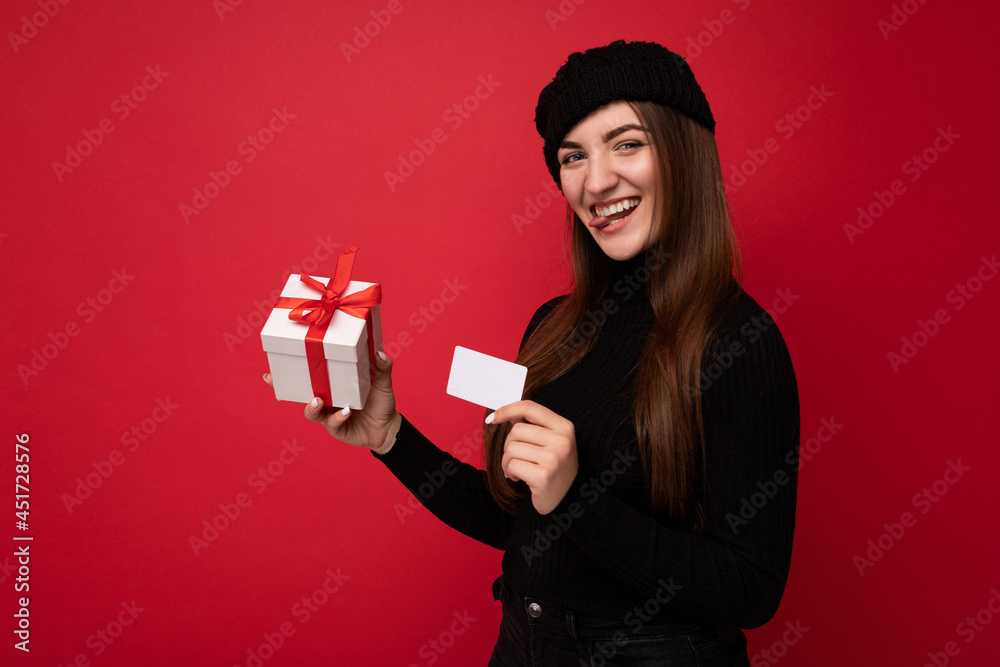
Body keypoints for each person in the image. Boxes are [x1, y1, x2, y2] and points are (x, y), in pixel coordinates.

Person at [266, 40, 799, 666]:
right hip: (524, 644)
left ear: (685, 151)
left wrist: (578, 498)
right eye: (573, 157)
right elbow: (517, 522)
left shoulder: (740, 341)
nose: (597, 181)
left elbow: (750, 590)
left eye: (627, 143)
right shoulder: (552, 327)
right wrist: (391, 438)